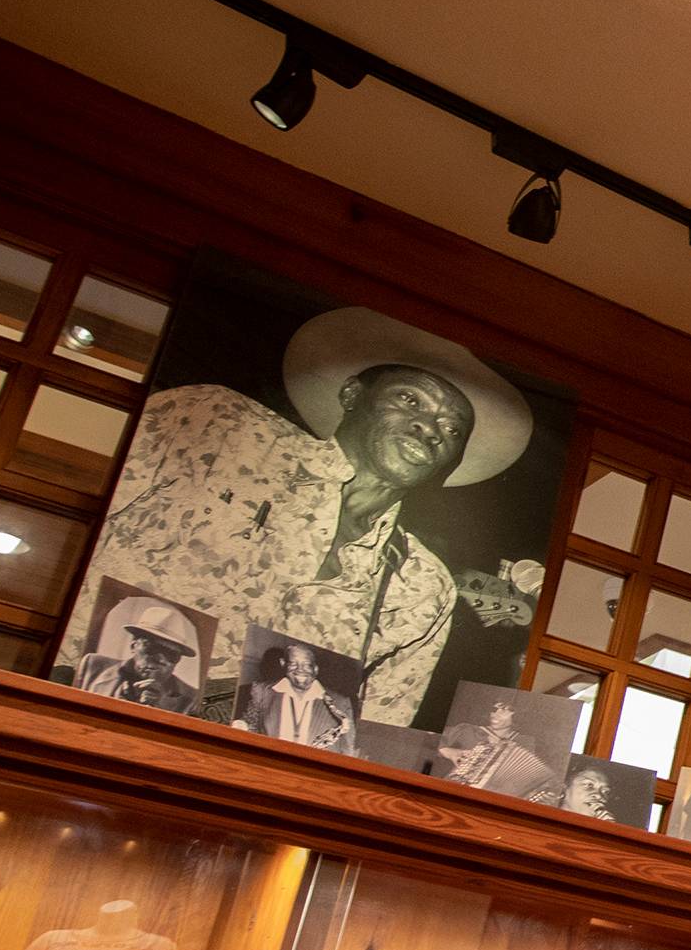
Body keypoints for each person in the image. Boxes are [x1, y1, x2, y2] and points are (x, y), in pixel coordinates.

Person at [65, 305, 543, 726]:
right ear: (352, 395)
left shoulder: (423, 588)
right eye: (409, 399)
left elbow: (375, 731)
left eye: (451, 427)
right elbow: (73, 512)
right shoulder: (216, 421)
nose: (430, 426)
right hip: (71, 716)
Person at [72, 603, 205, 712]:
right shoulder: (93, 665)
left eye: (172, 655)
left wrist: (159, 712)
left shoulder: (189, 698)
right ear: (133, 645)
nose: (161, 659)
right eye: (153, 648)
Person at [438, 694, 562, 802]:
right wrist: (447, 751)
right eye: (494, 709)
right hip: (455, 792)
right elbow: (429, 737)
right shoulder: (467, 730)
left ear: (518, 715)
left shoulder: (526, 742)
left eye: (504, 710)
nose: (495, 715)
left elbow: (532, 778)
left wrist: (538, 793)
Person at [240, 638, 357, 751]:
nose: (300, 669)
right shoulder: (261, 692)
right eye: (293, 663)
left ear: (315, 669)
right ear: (283, 664)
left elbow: (348, 750)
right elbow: (250, 726)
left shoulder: (341, 703)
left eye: (306, 664)